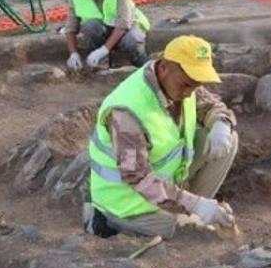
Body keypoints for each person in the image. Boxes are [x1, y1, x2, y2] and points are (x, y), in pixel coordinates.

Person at [83, 35, 239, 239]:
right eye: (186, 85)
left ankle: (191, 207)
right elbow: (138, 178)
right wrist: (196, 206)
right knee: (183, 232)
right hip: (128, 200)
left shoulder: (180, 83)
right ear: (164, 67)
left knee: (228, 139)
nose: (190, 92)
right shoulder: (128, 112)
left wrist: (221, 124)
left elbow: (211, 106)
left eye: (196, 84)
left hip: (164, 178)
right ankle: (102, 221)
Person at [65, 0, 151, 72]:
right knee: (90, 26)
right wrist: (73, 53)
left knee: (131, 40)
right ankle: (101, 67)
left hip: (129, 25)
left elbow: (124, 22)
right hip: (104, 29)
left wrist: (104, 49)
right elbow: (71, 27)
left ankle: (142, 65)